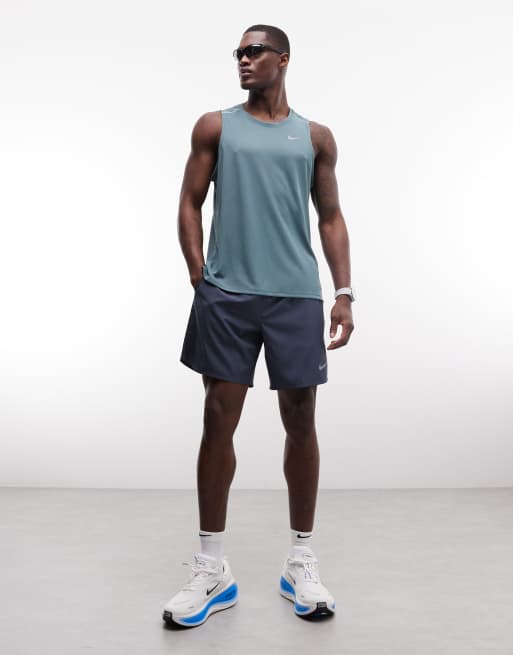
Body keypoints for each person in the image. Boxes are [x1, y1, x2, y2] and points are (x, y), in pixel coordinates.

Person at [162, 24, 355, 628]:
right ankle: (211, 568)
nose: (243, 60)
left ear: (283, 59)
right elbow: (189, 201)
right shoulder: (215, 127)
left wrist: (343, 292)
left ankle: (301, 560)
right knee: (218, 418)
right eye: (238, 53)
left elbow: (330, 216)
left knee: (301, 419)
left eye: (254, 51)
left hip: (295, 297)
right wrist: (201, 276)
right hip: (228, 297)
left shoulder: (315, 137)